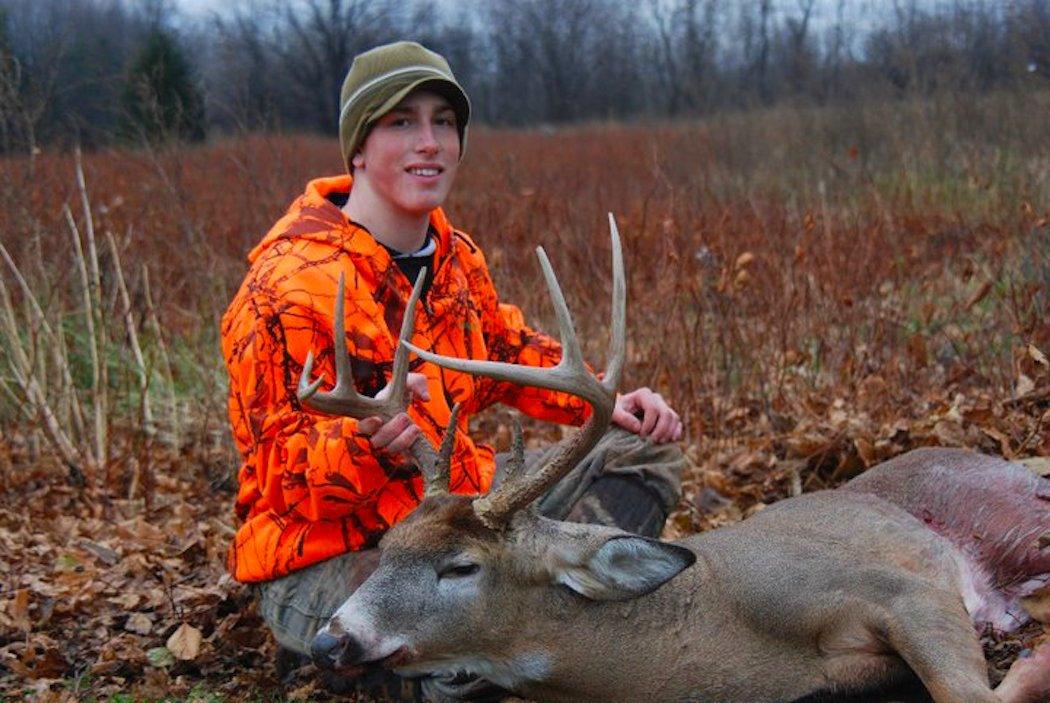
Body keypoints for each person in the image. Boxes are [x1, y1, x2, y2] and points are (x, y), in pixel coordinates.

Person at [220, 41, 685, 702]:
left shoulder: (453, 255)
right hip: (339, 553)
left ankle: (542, 615)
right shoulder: (284, 287)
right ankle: (421, 659)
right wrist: (360, 444)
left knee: (644, 446)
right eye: (401, 122)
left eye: (444, 122)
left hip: (461, 518)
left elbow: (504, 352)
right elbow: (279, 477)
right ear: (357, 147)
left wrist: (607, 402)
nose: (429, 142)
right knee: (458, 668)